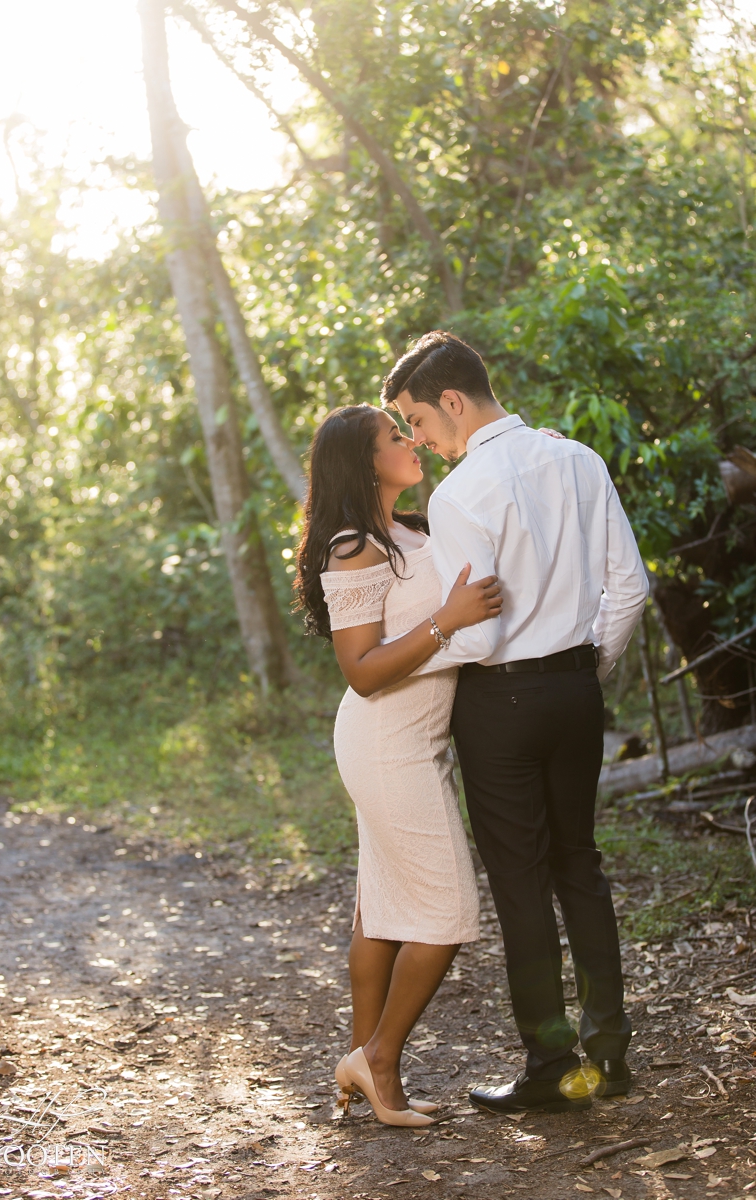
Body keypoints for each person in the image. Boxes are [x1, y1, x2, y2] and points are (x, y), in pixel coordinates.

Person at [381, 331, 649, 1114]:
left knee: (522, 884)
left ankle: (551, 1067)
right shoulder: (580, 460)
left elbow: (480, 634)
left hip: (500, 704)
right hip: (576, 693)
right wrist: (581, 673)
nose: (419, 440)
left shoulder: (459, 496)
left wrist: (408, 658)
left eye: (418, 421)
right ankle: (611, 1053)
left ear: (453, 403)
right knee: (580, 865)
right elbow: (626, 588)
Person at [294, 403, 503, 1127]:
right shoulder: (355, 547)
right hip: (384, 739)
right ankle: (378, 1058)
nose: (411, 440)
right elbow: (361, 670)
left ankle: (365, 1066)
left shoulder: (414, 529)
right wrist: (449, 618)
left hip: (420, 738)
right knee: (446, 913)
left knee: (380, 910)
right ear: (364, 460)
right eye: (395, 436)